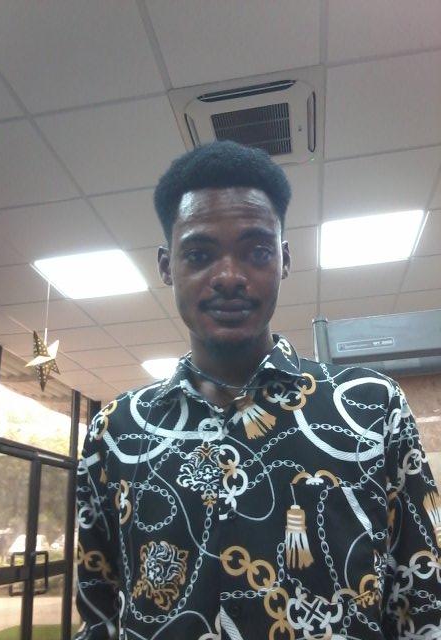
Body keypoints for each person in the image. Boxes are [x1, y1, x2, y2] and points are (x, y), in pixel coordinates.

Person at [74, 141, 441, 640]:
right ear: (166, 266)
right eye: (199, 255)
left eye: (257, 252)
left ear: (284, 260)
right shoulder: (116, 430)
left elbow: (421, 599)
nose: (229, 277)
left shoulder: (371, 408)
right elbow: (99, 612)